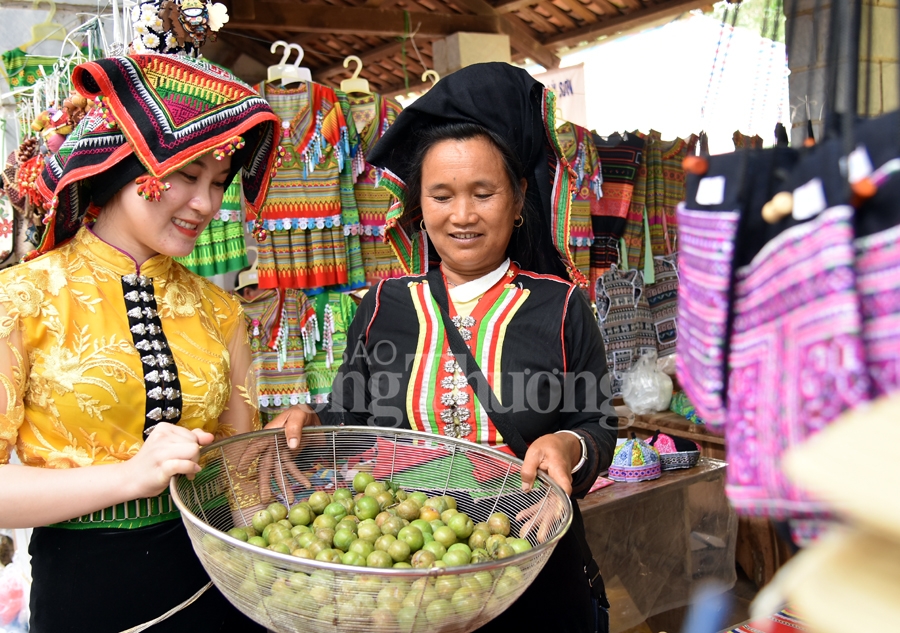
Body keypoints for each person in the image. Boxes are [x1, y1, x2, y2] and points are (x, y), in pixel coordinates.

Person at [271, 62, 618, 633]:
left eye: (483, 193)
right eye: (441, 195)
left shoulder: (559, 307)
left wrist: (568, 445)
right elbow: (347, 418)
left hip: (530, 569)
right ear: (420, 203)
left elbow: (597, 423)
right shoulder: (382, 305)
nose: (461, 215)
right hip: (402, 573)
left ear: (518, 196)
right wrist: (308, 421)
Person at [0, 52, 281, 632]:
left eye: (219, 182)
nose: (205, 204)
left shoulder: (218, 308)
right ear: (124, 165)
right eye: (186, 174)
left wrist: (277, 452)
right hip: (88, 595)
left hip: (218, 582)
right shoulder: (22, 298)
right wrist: (131, 476)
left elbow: (241, 476)